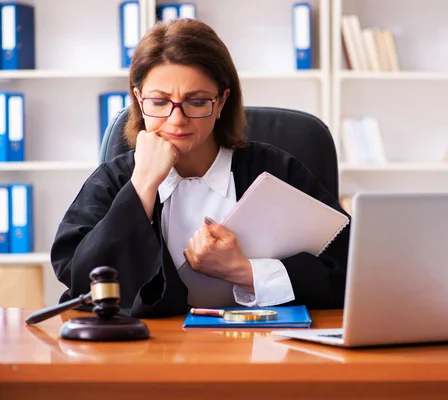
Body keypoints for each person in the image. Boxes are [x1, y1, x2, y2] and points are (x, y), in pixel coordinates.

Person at [50, 19, 350, 318]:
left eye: (196, 102)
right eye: (159, 101)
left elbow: (350, 272)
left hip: (264, 350)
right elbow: (81, 282)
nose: (177, 119)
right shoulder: (115, 179)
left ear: (221, 102)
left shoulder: (274, 171)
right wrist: (142, 184)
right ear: (139, 100)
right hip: (151, 352)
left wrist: (244, 271)